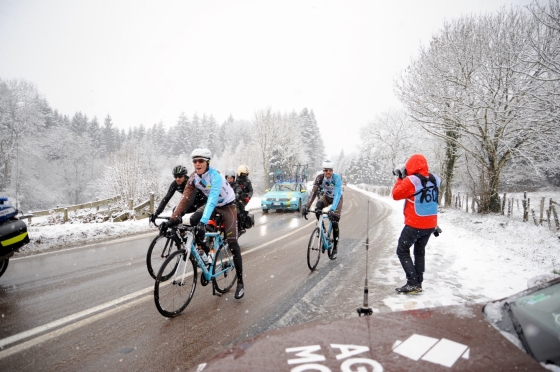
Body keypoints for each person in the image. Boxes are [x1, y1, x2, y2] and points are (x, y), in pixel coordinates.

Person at [166, 148, 245, 299]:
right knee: (194, 221)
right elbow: (184, 199)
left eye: (201, 161)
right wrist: (173, 218)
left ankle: (240, 282)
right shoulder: (193, 178)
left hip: (227, 205)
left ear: (207, 162)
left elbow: (213, 198)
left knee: (233, 243)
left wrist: (203, 222)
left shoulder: (215, 177)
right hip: (212, 204)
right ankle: (207, 255)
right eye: (195, 161)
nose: (197, 164)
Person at [392, 153, 441, 295]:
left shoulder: (411, 181)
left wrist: (401, 177)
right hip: (430, 224)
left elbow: (396, 195)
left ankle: (412, 283)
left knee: (402, 250)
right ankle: (418, 282)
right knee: (419, 252)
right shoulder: (435, 179)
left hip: (415, 224)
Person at [302, 160, 343, 259]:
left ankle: (335, 248)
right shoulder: (319, 178)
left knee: (334, 220)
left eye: (330, 170)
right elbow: (314, 192)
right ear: (323, 171)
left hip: (337, 199)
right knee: (317, 208)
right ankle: (323, 230)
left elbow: (337, 194)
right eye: (326, 170)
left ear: (332, 170)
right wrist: (307, 205)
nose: (328, 172)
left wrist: (333, 209)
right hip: (327, 196)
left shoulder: (336, 178)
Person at [234, 165, 253, 233]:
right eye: (243, 174)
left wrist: (248, 197)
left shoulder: (247, 181)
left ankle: (240, 227)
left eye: (246, 174)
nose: (245, 175)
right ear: (239, 173)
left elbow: (251, 190)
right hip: (233, 198)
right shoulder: (234, 179)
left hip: (243, 199)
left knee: (240, 212)